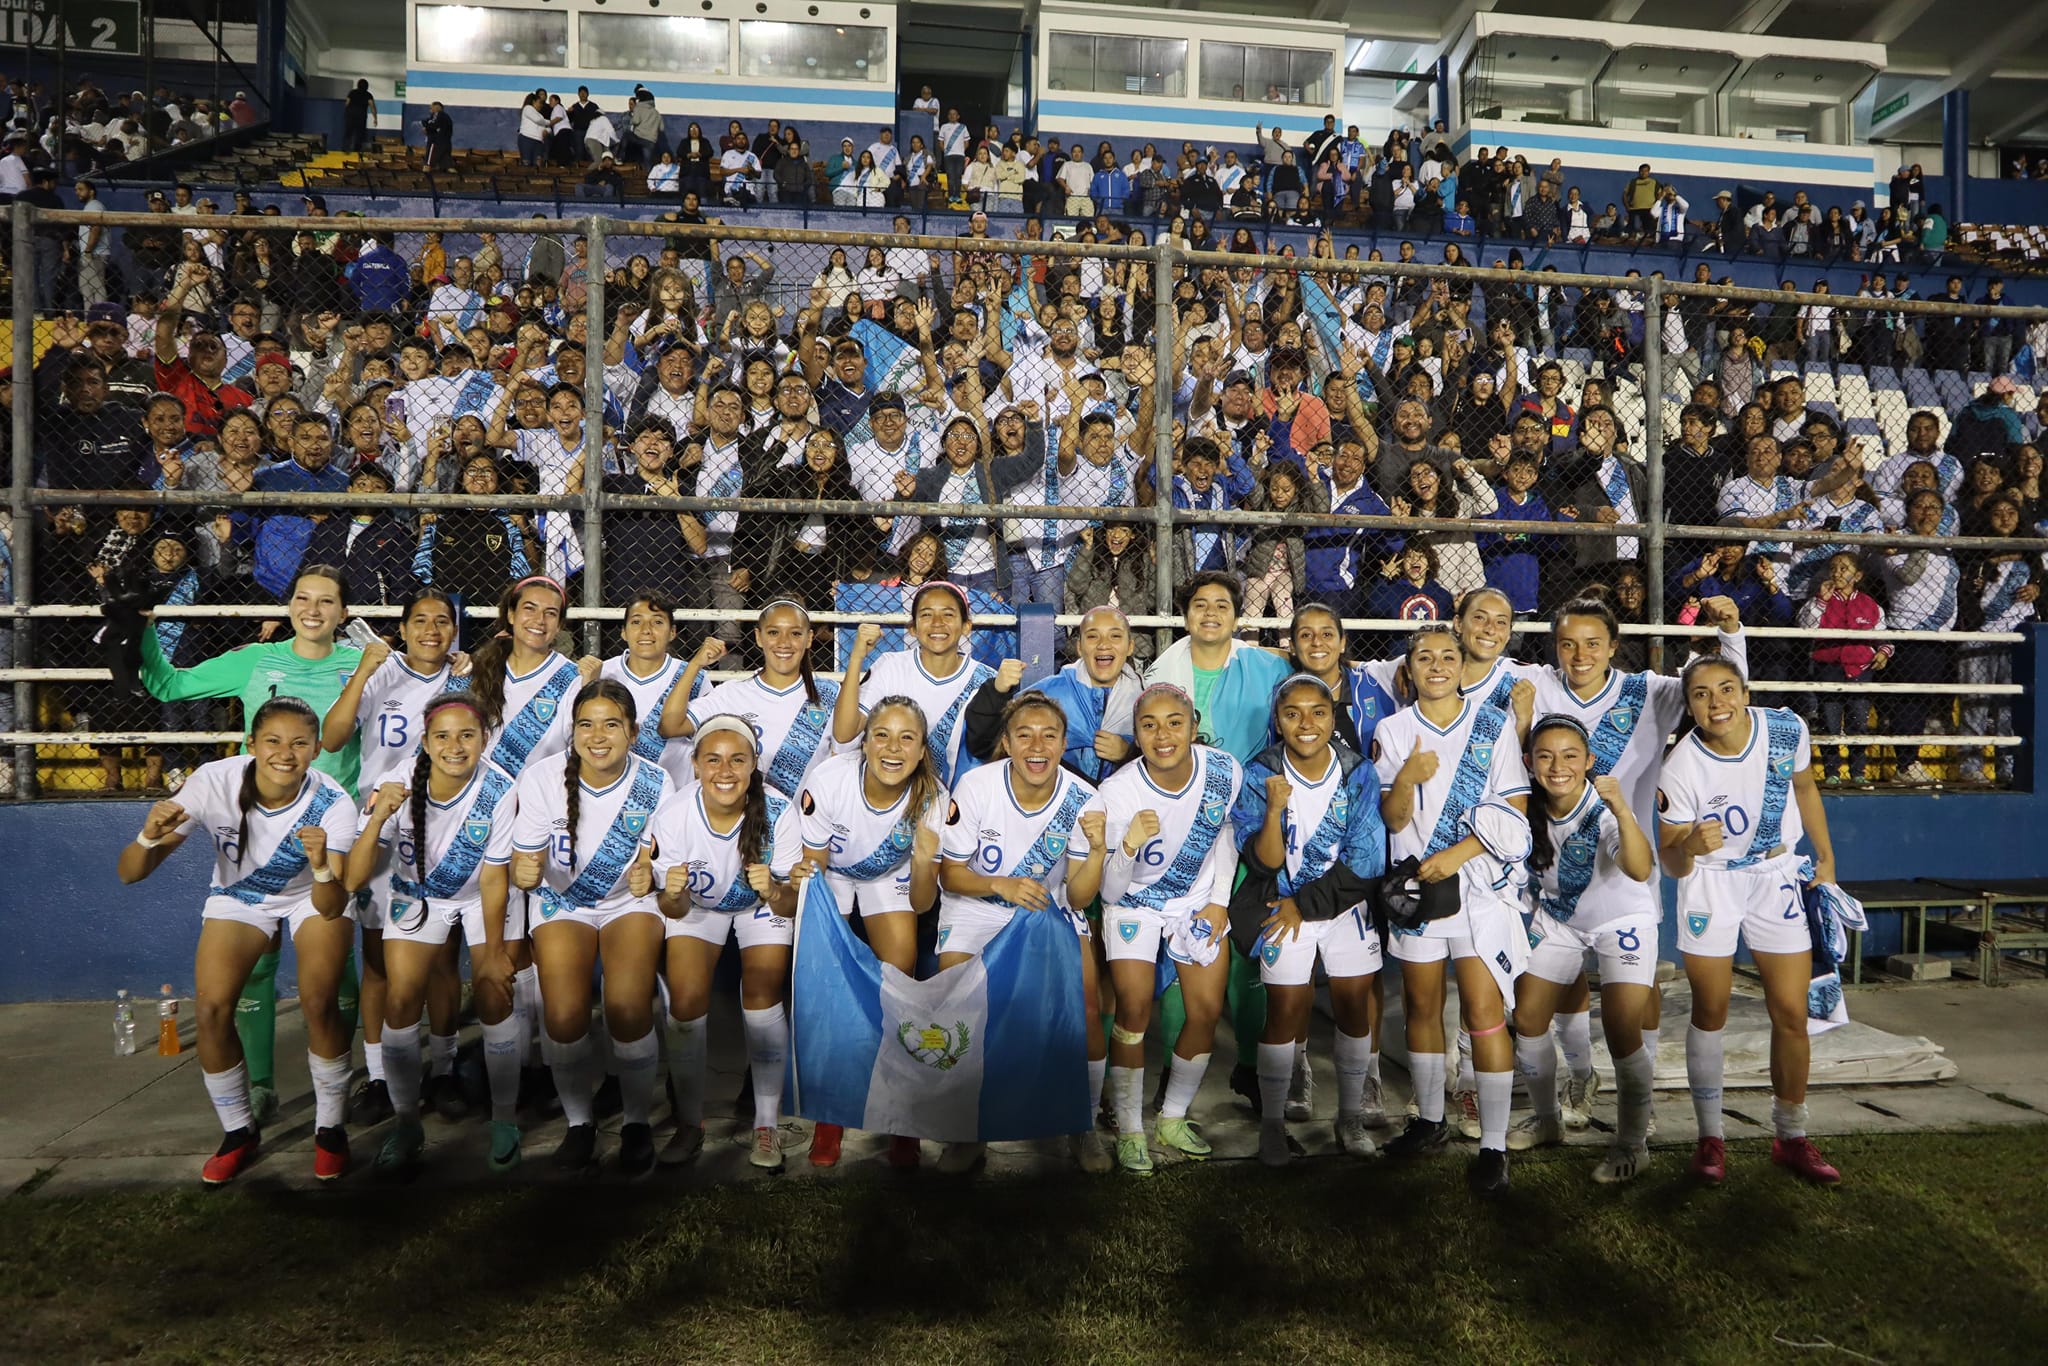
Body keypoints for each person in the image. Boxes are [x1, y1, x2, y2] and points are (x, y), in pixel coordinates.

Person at [137, 564, 365, 1125]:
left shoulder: (364, 663)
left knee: (337, 978)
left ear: (343, 612)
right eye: (303, 598)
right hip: (260, 836)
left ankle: (353, 1076)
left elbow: (430, 692)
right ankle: (259, 1086)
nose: (313, 609)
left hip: (334, 834)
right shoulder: (253, 660)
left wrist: (457, 663)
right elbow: (167, 684)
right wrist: (142, 627)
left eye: (327, 601)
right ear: (289, 605)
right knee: (256, 969)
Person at [115, 696, 361, 1185]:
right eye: (272, 741)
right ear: (251, 744)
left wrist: (319, 864)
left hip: (314, 892)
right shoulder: (214, 781)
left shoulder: (334, 803)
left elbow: (332, 904)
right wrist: (146, 837)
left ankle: (331, 1129)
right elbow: (129, 874)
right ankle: (238, 1133)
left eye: (299, 743)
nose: (285, 753)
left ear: (316, 750)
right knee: (210, 1009)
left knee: (318, 1000)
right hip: (240, 897)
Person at [1659, 655, 1843, 1187]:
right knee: (1710, 1010)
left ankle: (1791, 1136)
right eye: (1700, 694)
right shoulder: (1682, 767)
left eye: (1725, 689)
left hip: (1776, 875)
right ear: (1688, 705)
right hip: (1711, 882)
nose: (1716, 703)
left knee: (1791, 1010)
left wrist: (1825, 857)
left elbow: (1805, 787)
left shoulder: (1786, 728)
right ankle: (1710, 1139)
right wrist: (1690, 845)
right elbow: (1672, 859)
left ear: (1745, 691)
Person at [1374, 625, 1532, 1196]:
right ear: (1408, 669)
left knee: (1482, 1011)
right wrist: (1406, 783)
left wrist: (1458, 853)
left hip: (1480, 889)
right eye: (1424, 658)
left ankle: (1493, 1144)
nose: (1436, 666)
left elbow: (1515, 813)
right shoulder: (1392, 729)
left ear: (1464, 665)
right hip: (1418, 891)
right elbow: (1393, 820)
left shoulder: (1492, 726)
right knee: (1420, 1002)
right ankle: (1430, 1121)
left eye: (1447, 657)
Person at [344, 691, 525, 1175]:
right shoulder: (397, 782)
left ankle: (505, 1120)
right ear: (424, 742)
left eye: (467, 735)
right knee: (401, 999)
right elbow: (353, 878)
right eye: (442, 736)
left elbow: (493, 877)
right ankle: (407, 1124)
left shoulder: (500, 789)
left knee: (494, 991)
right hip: (417, 896)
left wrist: (489, 958)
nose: (455, 746)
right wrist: (379, 814)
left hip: (480, 897)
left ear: (485, 739)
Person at [936, 692, 1113, 1175]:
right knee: (959, 1004)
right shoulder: (976, 786)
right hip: (977, 905)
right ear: (1008, 744)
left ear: (1062, 744)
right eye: (1025, 735)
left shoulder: (1084, 799)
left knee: (1087, 1004)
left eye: (1049, 736)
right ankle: (966, 1132)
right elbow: (949, 876)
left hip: (1044, 910)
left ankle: (1083, 1123)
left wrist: (1097, 851)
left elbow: (1076, 898)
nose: (1037, 746)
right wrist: (1000, 884)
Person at [506, 679, 673, 1178]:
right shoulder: (540, 779)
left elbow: (666, 857)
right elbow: (523, 861)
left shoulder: (657, 781)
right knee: (563, 1014)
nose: (597, 736)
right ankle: (580, 1125)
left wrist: (654, 873)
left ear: (633, 731)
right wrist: (524, 871)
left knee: (625, 1006)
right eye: (586, 724)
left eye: (611, 725)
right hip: (564, 902)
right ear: (571, 730)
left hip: (629, 902)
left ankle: (637, 1124)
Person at [319, 589, 467, 1127]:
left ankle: (445, 1069)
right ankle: (380, 1076)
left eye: (443, 621)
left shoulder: (463, 678)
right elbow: (332, 738)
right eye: (421, 621)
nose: (432, 630)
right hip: (381, 822)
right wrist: (363, 671)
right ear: (402, 627)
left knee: (443, 956)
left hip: (444, 824)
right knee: (378, 956)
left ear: (455, 630)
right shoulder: (379, 668)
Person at [1231, 675, 1386, 1164]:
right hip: (1282, 907)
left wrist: (1308, 905)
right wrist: (1275, 810)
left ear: (1332, 715)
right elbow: (1265, 862)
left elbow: (1366, 860)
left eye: (1317, 712)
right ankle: (1273, 1127)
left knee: (1355, 1008)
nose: (1306, 723)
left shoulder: (1358, 773)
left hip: (1342, 908)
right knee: (1285, 1012)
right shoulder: (1260, 776)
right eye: (1292, 713)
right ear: (1277, 721)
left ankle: (1349, 1117)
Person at [1097, 684, 1245, 1174]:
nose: (1163, 735)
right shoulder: (1117, 792)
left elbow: (1225, 833)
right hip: (1135, 903)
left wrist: (1220, 901)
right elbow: (1113, 892)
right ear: (1135, 734)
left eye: (1174, 723)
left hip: (1197, 901)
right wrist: (1129, 847)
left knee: (1204, 1010)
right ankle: (1129, 1128)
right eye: (1149, 725)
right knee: (1134, 1010)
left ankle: (1172, 1118)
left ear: (1193, 726)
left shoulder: (1224, 770)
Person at [795, 696, 947, 1168]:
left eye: (907, 738)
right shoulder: (829, 780)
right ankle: (830, 1117)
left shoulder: (934, 798)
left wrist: (924, 861)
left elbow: (923, 904)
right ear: (864, 741)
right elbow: (815, 877)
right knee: (832, 993)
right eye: (881, 734)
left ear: (922, 750)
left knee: (899, 989)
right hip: (831, 878)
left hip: (891, 879)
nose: (893, 747)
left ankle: (900, 1120)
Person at [648, 714, 802, 1171]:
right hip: (699, 907)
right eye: (712, 760)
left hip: (761, 907)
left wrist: (773, 889)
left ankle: (767, 1124)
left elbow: (789, 905)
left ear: (754, 764)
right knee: (687, 1003)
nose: (725, 771)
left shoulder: (779, 810)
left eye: (738, 759)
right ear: (694, 765)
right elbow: (671, 909)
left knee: (761, 996)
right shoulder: (674, 813)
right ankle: (690, 1124)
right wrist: (673, 894)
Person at [1511, 715, 1658, 1182]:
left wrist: (1622, 810)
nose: (1558, 766)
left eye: (1571, 755)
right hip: (1560, 918)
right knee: (1529, 1016)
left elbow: (1638, 869)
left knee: (1620, 1026)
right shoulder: (1523, 805)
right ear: (1530, 763)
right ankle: (1548, 1120)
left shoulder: (1603, 806)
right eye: (1546, 756)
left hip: (1622, 918)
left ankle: (1633, 1145)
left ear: (1590, 761)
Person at [836, 584, 1005, 789]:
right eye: (926, 615)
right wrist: (856, 657)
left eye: (948, 615)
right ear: (913, 628)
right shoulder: (890, 666)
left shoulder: (988, 681)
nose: (937, 623)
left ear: (966, 626)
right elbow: (844, 733)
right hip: (891, 795)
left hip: (955, 804)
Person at [964, 604, 1140, 785]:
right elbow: (984, 745)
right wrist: (996, 692)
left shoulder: (1144, 701)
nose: (1104, 644)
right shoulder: (1049, 694)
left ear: (1130, 646)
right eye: (1093, 636)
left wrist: (1129, 753)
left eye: (1115, 636)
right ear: (1079, 647)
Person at [597, 594, 708, 788]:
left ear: (672, 632)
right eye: (636, 621)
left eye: (657, 622)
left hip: (675, 797)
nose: (646, 630)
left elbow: (707, 742)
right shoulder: (603, 674)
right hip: (613, 796)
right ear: (623, 632)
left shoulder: (694, 678)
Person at [342, 79, 375, 154]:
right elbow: (372, 106)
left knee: (348, 132)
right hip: (361, 116)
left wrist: (346, 112)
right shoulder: (368, 95)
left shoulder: (352, 92)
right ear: (367, 86)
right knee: (359, 133)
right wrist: (375, 118)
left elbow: (347, 103)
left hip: (350, 115)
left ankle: (345, 148)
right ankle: (356, 150)